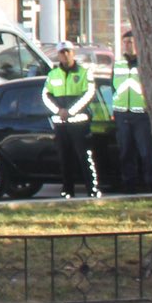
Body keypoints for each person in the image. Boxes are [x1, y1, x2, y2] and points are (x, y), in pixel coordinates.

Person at [42, 43, 100, 198]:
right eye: (62, 52)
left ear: (73, 53)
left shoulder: (83, 73)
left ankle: (92, 190)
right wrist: (59, 111)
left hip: (79, 124)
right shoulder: (53, 74)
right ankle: (67, 191)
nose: (65, 55)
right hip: (61, 124)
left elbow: (89, 94)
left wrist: (71, 111)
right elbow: (46, 96)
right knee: (64, 158)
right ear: (58, 55)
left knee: (85, 158)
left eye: (67, 52)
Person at [110, 30, 152, 193]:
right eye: (126, 42)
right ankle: (129, 185)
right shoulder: (118, 64)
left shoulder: (146, 64)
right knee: (126, 152)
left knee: (146, 152)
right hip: (122, 113)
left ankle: (151, 184)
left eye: (131, 42)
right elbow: (113, 87)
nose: (128, 45)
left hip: (142, 114)